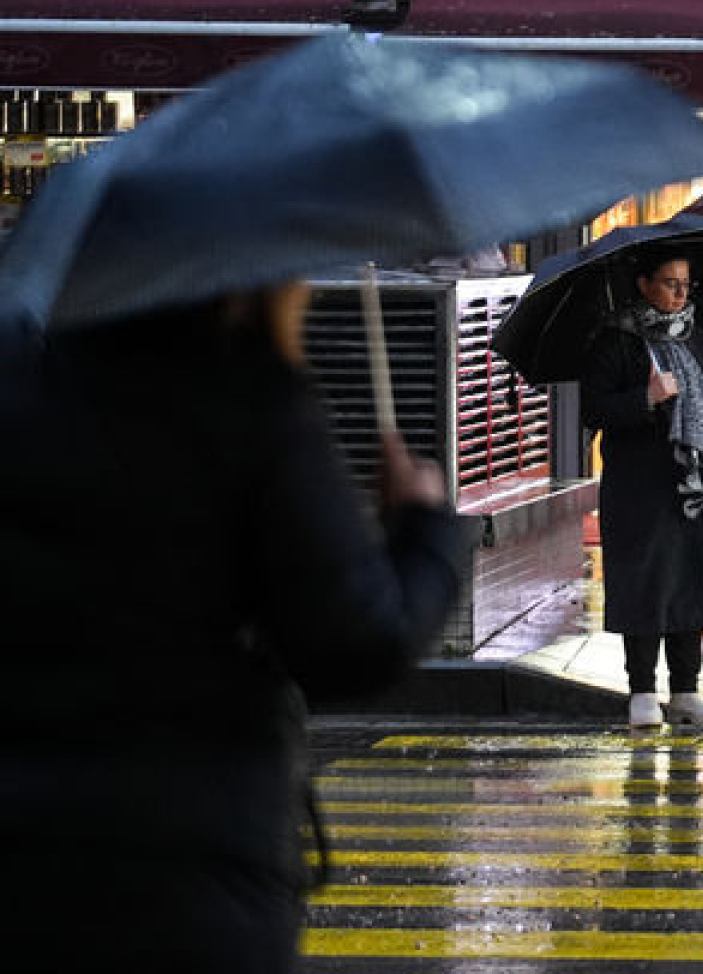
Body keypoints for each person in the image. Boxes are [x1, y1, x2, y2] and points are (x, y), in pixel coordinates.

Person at [0, 282, 460, 972]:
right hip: (196, 857)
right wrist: (424, 529)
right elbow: (355, 643)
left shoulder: (22, 396)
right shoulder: (252, 403)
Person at [581, 250, 703, 727]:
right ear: (644, 283)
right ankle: (642, 690)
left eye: (686, 284)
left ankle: (688, 689)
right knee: (648, 583)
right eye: (670, 283)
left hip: (698, 482)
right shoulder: (616, 341)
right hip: (640, 484)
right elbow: (593, 410)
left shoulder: (698, 341)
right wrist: (645, 398)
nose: (679, 293)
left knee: (694, 581)